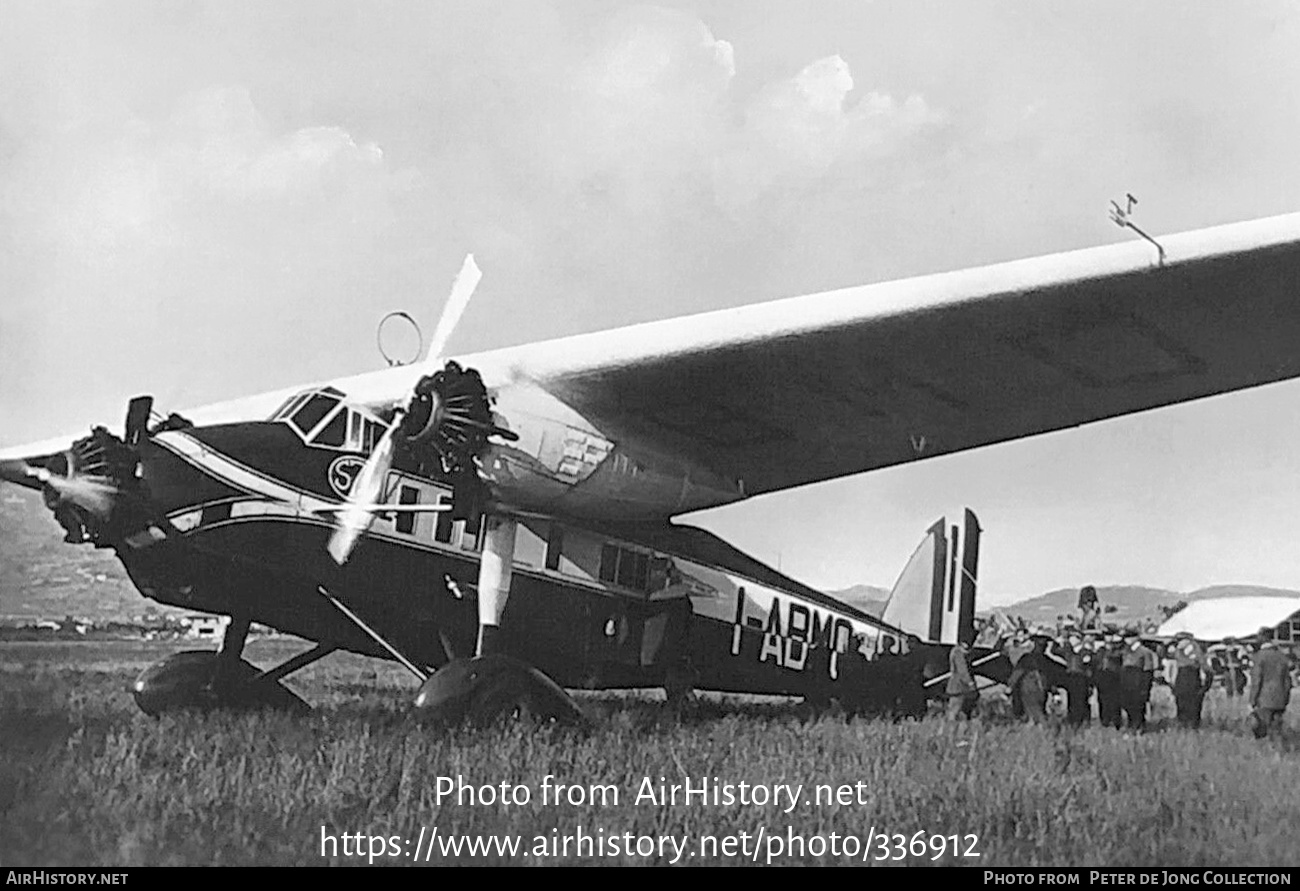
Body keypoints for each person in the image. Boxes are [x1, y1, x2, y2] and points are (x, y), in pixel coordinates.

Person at [1248, 629, 1293, 739]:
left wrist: (1252, 700)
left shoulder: (1259, 657)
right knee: (1277, 729)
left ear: (1263, 637)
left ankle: (1265, 751)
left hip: (1264, 698)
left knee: (1262, 729)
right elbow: (1287, 681)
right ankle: (1280, 751)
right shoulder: (1282, 656)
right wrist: (1286, 698)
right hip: (1281, 698)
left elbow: (1257, 680)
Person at [1170, 631, 1212, 729]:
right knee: (1182, 704)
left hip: (1191, 677)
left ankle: (1191, 726)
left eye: (1181, 640)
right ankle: (1184, 724)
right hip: (1182, 678)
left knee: (1192, 705)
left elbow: (1204, 665)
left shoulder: (1194, 649)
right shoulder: (1179, 650)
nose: (1179, 642)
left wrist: (1207, 683)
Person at [1118, 629, 1157, 732]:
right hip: (1127, 681)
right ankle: (1131, 725)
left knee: (1138, 706)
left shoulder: (1144, 652)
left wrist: (1145, 687)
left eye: (1129, 637)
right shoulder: (1125, 651)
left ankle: (1139, 727)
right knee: (1128, 704)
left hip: (1138, 680)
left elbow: (1148, 670)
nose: (1127, 640)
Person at [1007, 635, 1051, 723]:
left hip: (1038, 690)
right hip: (1029, 688)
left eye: (1044, 644)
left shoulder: (1045, 660)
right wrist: (1011, 686)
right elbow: (1018, 673)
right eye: (1041, 644)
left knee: (1035, 715)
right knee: (1034, 714)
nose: (1043, 647)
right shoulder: (1027, 658)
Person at [1060, 631, 1092, 726]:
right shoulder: (1068, 651)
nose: (1071, 640)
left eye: (1073, 638)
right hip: (1071, 677)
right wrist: (1062, 641)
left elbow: (1088, 668)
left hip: (1081, 678)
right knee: (1072, 699)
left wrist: (1089, 682)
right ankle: (1072, 719)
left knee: (1081, 699)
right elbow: (1055, 650)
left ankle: (1083, 720)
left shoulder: (1085, 652)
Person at [1094, 631, 1124, 728]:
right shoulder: (1100, 651)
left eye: (1110, 636)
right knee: (1102, 700)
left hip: (1114, 677)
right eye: (1106, 636)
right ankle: (1104, 721)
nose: (1108, 638)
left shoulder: (1118, 650)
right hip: (1102, 677)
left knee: (1115, 701)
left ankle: (1116, 721)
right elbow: (1095, 663)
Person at [946, 638, 979, 719]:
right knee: (955, 708)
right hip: (959, 685)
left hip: (957, 684)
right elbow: (962, 670)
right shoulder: (958, 653)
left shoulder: (955, 652)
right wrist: (970, 682)